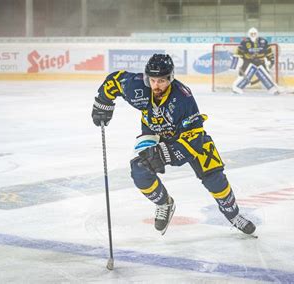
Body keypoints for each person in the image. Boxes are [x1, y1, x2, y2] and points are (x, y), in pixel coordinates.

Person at [91, 54, 256, 236]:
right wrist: (103, 104)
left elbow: (195, 136)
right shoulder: (136, 86)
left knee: (215, 178)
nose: (156, 86)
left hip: (188, 139)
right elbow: (114, 80)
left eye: (161, 81)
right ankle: (164, 203)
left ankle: (233, 215)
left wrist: (164, 154)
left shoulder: (183, 98)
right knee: (139, 170)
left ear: (170, 78)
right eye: (152, 80)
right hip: (153, 134)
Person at [231, 27, 277, 94]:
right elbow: (238, 52)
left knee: (266, 75)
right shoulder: (244, 42)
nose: (253, 35)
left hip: (260, 61)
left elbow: (268, 51)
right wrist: (237, 60)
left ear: (257, 33)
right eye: (251, 33)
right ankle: (236, 88)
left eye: (254, 33)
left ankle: (272, 89)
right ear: (249, 34)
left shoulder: (263, 41)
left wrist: (271, 59)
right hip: (248, 61)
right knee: (242, 75)